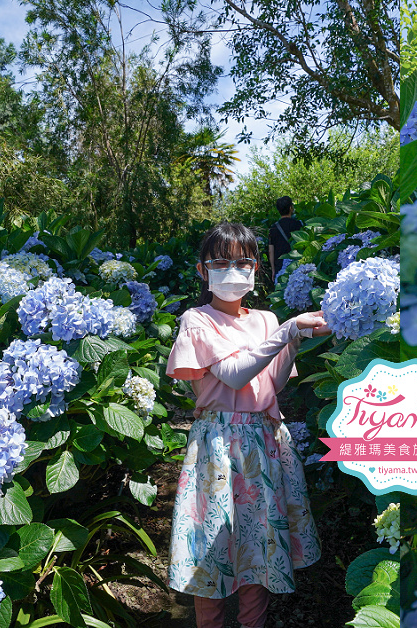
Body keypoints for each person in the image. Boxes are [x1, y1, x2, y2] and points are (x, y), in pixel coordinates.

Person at [165, 221, 329, 628]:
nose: (232, 271)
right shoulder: (197, 320)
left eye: (242, 262)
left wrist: (291, 342)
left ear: (256, 268)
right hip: (218, 445)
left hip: (261, 438)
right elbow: (235, 374)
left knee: (258, 545)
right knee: (214, 544)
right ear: (203, 271)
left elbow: (269, 383)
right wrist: (288, 330)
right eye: (220, 262)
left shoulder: (265, 319)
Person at [268, 196, 303, 282]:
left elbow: (270, 251)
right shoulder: (298, 225)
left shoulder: (273, 228)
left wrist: (273, 269)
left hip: (279, 268)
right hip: (296, 265)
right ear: (291, 208)